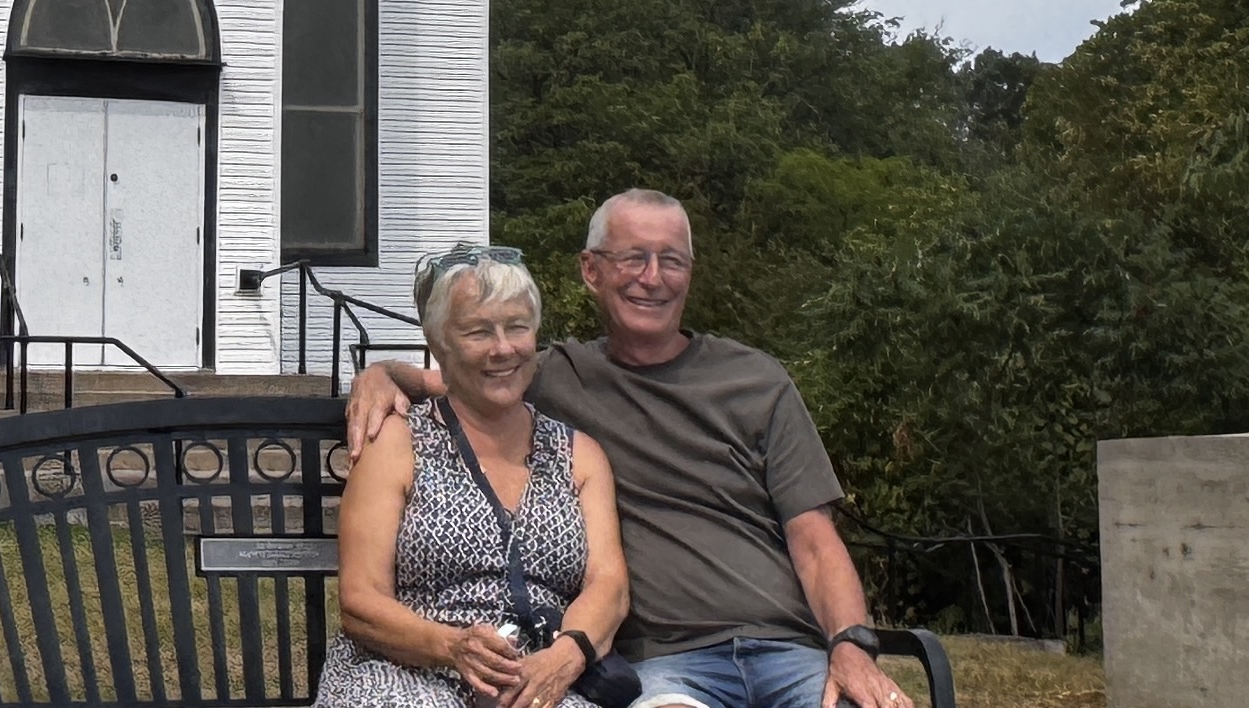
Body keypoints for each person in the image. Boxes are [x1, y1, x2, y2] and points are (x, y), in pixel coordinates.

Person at [346, 189, 914, 708]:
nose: (652, 277)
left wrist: (851, 644)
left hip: (789, 649)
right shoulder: (557, 375)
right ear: (591, 270)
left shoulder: (757, 381)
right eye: (633, 258)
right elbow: (466, 375)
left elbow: (815, 539)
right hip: (669, 664)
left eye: (672, 260)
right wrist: (380, 375)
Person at [315, 246, 629, 708]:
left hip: (534, 678)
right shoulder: (397, 443)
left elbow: (609, 584)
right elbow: (361, 600)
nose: (502, 348)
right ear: (440, 345)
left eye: (517, 327)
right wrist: (451, 646)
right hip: (404, 671)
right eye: (478, 332)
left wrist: (566, 655)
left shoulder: (580, 456)